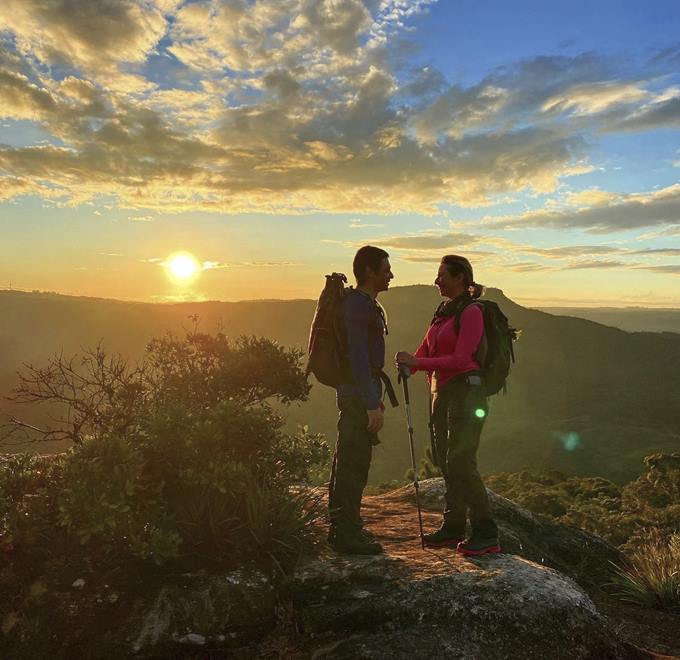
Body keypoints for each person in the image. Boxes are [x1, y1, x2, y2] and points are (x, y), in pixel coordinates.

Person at [395, 255, 500, 556]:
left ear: (459, 278)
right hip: (441, 393)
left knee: (461, 460)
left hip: (467, 394)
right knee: (445, 460)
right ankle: (453, 527)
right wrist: (409, 362)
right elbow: (426, 350)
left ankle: (486, 532)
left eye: (442, 275)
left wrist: (418, 362)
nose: (436, 280)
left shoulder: (471, 313)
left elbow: (461, 359)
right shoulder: (443, 312)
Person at [328, 245, 395, 555]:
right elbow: (357, 356)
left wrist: (374, 398)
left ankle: (344, 527)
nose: (390, 275)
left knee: (350, 458)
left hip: (360, 392)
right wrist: (369, 401)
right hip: (357, 395)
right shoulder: (358, 306)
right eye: (385, 269)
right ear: (369, 272)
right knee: (354, 462)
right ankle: (346, 533)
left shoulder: (362, 304)